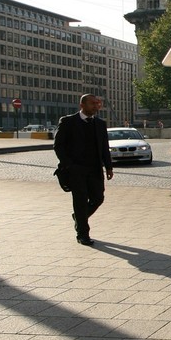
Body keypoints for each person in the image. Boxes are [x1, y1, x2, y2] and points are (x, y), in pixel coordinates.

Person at [53, 94, 113, 245]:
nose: (96, 106)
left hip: (95, 169)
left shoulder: (100, 124)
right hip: (76, 170)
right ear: (82, 105)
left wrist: (109, 167)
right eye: (92, 103)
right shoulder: (68, 122)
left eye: (97, 103)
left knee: (98, 198)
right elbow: (58, 145)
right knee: (80, 201)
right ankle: (82, 234)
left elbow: (104, 147)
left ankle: (79, 217)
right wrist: (68, 164)